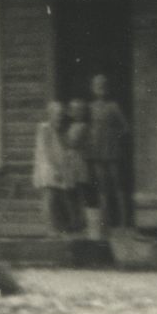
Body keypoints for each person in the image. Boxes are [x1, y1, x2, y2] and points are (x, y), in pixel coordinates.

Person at [86, 73, 133, 233]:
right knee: (102, 187)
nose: (100, 88)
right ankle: (104, 223)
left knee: (117, 184)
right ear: (92, 88)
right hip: (97, 152)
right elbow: (87, 128)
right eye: (97, 85)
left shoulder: (113, 106)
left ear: (107, 88)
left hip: (112, 151)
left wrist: (113, 136)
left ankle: (124, 222)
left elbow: (126, 127)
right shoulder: (90, 108)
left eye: (103, 85)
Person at [32, 99, 85, 236]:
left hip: (55, 167)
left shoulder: (58, 130)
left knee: (57, 197)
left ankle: (59, 227)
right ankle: (50, 229)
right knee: (49, 198)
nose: (60, 117)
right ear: (50, 114)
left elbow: (62, 148)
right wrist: (56, 169)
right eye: (57, 114)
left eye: (61, 114)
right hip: (47, 167)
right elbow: (49, 152)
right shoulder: (45, 128)